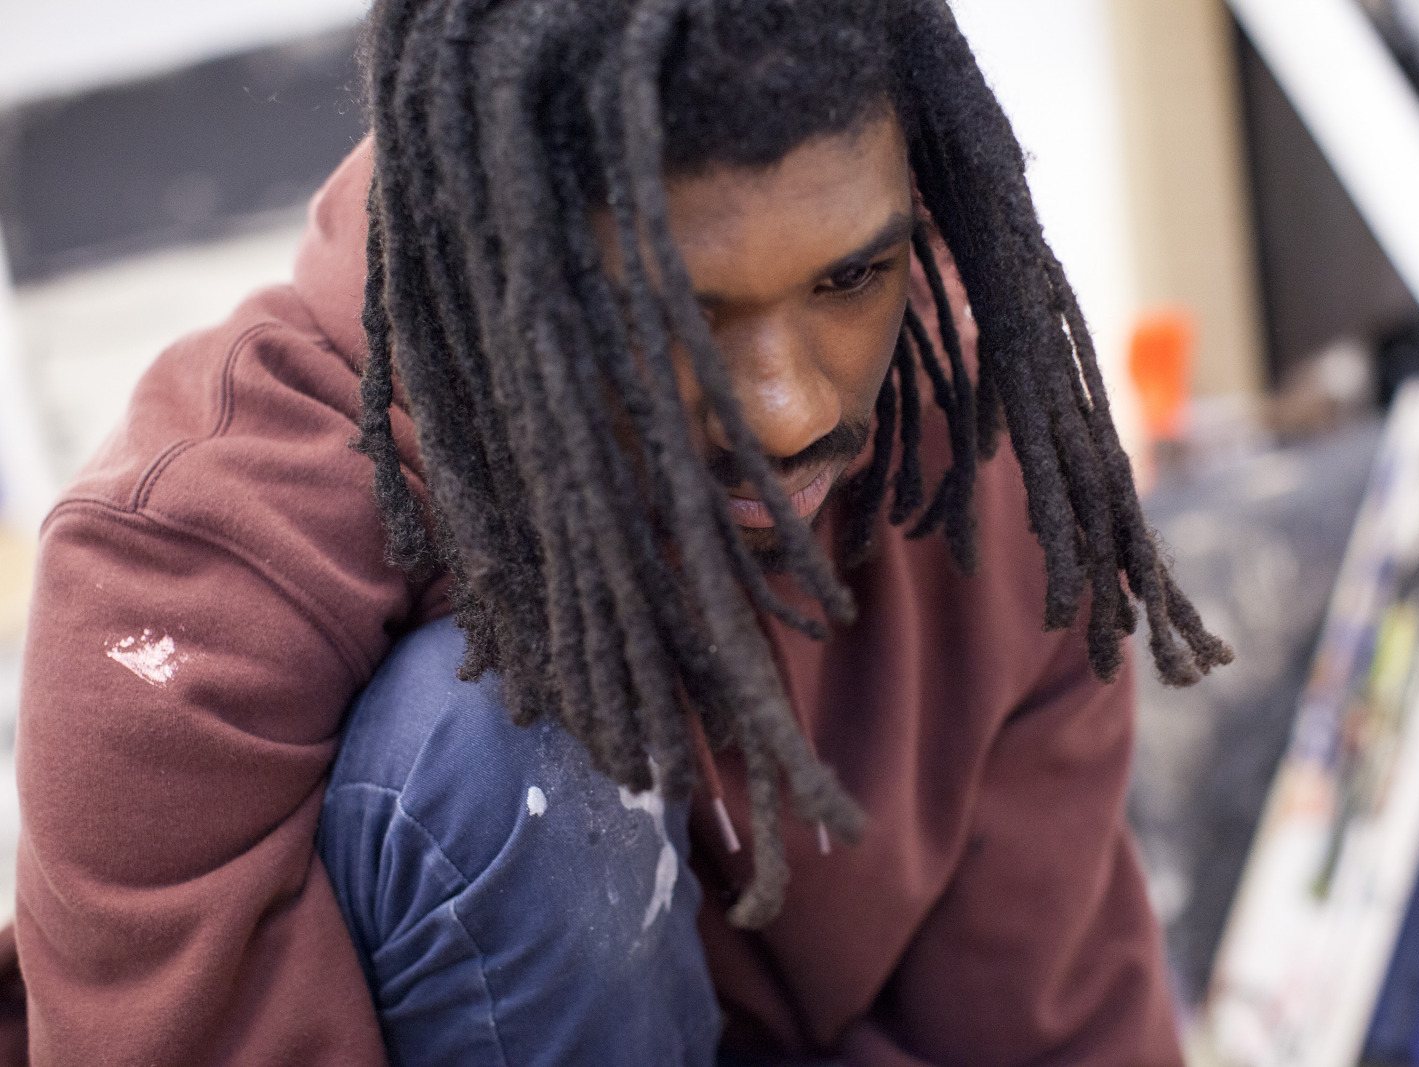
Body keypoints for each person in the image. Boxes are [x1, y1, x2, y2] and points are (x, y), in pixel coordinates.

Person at [5, 0, 1231, 1063]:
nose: (791, 411)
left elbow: (1051, 1032)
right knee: (486, 741)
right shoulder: (183, 591)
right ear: (497, 263)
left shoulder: (973, 450)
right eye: (674, 317)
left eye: (850, 279)